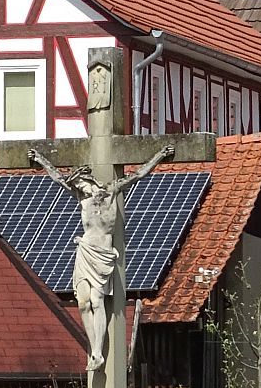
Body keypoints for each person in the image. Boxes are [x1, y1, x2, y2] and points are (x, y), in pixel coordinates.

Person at [30, 144, 176, 370]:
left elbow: (138, 175)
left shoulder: (110, 191)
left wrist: (159, 156)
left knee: (98, 301)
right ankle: (93, 348)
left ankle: (98, 351)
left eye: (79, 183)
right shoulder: (81, 199)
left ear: (88, 179)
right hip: (85, 250)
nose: (77, 187)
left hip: (103, 254)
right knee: (82, 302)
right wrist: (40, 160)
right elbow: (58, 178)